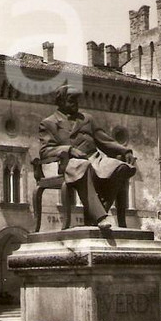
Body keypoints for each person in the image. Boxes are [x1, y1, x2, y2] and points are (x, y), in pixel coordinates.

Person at [39, 84, 137, 229]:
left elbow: (104, 140)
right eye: (71, 100)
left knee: (121, 167)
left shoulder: (87, 119)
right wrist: (69, 149)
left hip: (95, 158)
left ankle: (97, 212)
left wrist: (125, 151)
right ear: (61, 101)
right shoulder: (49, 123)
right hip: (68, 163)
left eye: (77, 100)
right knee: (83, 166)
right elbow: (45, 151)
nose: (76, 104)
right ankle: (101, 217)